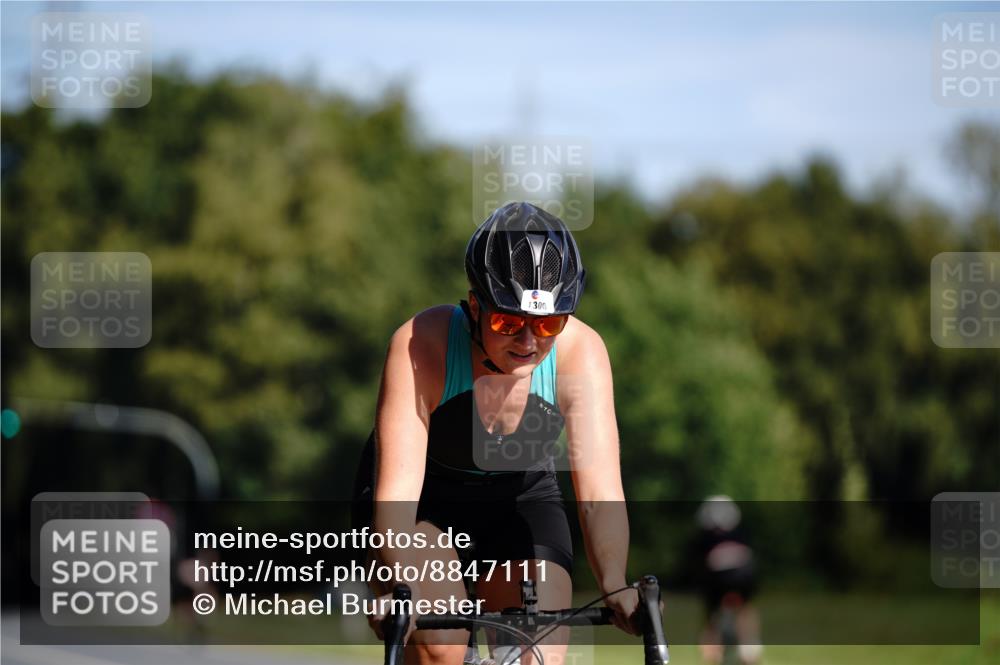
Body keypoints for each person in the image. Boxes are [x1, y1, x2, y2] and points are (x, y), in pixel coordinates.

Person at [352, 202, 638, 665]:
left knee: (535, 656)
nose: (528, 343)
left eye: (547, 324)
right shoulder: (422, 343)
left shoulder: (580, 353)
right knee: (440, 647)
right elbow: (398, 494)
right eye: (508, 322)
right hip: (426, 502)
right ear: (474, 307)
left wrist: (614, 583)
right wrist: (397, 585)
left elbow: (599, 492)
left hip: (519, 497)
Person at [694, 496, 762, 665]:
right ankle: (749, 650)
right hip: (745, 573)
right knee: (745, 609)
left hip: (718, 576)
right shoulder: (741, 533)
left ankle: (711, 654)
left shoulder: (706, 538)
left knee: (711, 616)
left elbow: (700, 563)